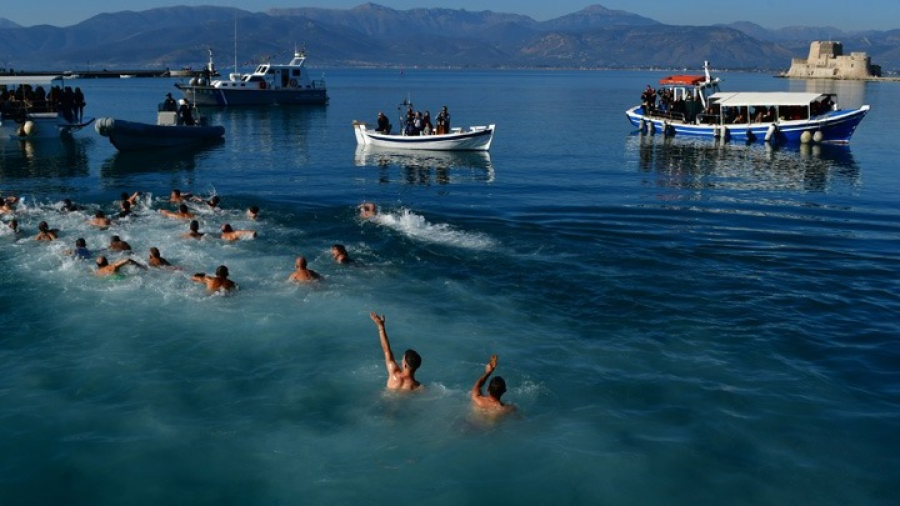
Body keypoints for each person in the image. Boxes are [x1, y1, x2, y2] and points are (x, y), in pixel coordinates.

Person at [369, 312, 422, 391]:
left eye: (402, 359)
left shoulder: (394, 373)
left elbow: (386, 350)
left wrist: (381, 327)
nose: (401, 360)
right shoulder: (418, 387)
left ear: (405, 365)